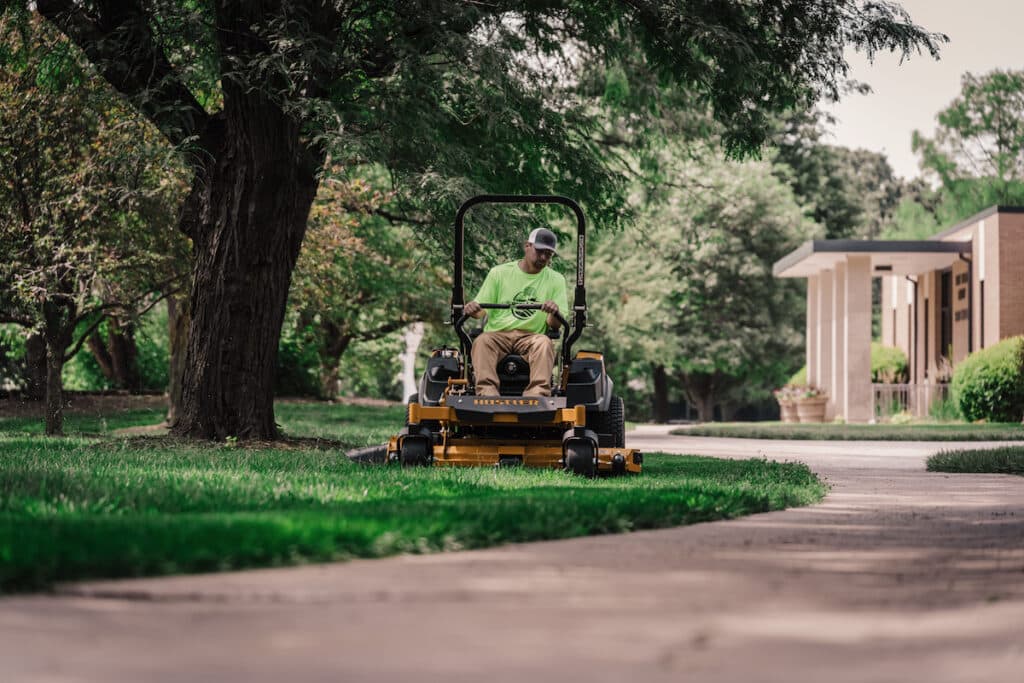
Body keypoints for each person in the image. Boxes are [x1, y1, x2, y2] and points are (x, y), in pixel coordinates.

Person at [463, 227, 569, 396]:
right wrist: (471, 308)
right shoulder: (499, 273)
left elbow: (555, 325)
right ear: (527, 246)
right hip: (498, 335)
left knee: (544, 343)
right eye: (540, 251)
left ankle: (537, 395)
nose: (543, 257)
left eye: (548, 254)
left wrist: (553, 312)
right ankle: (487, 394)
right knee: (482, 342)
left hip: (531, 337)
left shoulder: (556, 279)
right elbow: (479, 312)